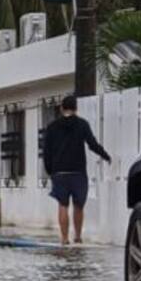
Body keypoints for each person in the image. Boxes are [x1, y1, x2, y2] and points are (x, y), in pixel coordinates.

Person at [43, 95, 111, 245]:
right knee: (78, 205)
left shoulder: (52, 126)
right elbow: (92, 144)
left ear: (61, 108)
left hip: (59, 172)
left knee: (63, 204)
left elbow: (46, 151)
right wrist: (106, 156)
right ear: (76, 108)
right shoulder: (82, 124)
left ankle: (65, 238)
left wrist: (49, 170)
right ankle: (78, 237)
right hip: (78, 171)